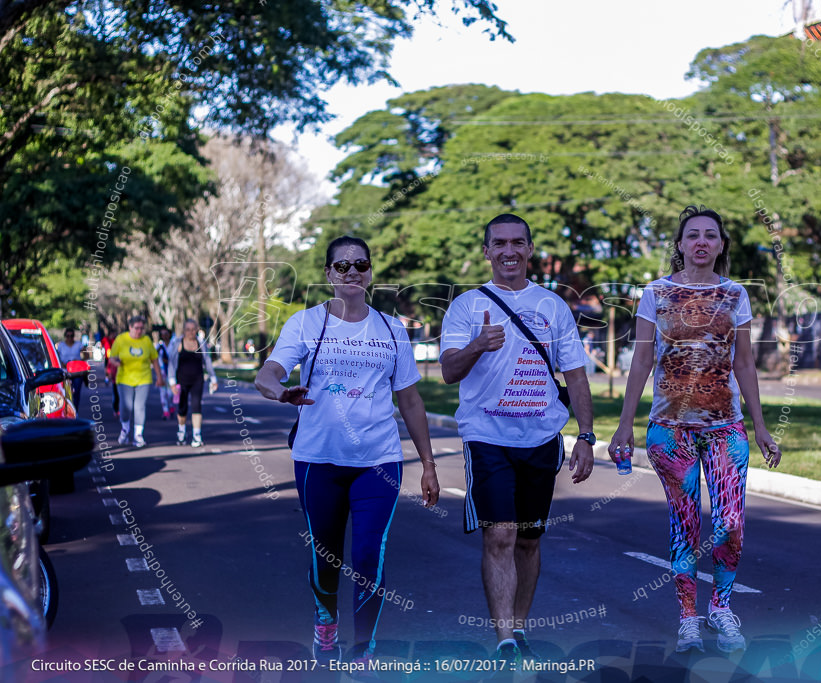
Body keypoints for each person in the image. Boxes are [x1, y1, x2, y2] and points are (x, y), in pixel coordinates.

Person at [254, 236, 439, 668]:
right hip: (318, 459)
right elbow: (267, 373)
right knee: (326, 553)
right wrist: (282, 393)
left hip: (378, 461)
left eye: (360, 264)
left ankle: (362, 653)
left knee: (368, 555)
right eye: (342, 266)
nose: (352, 271)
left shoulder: (392, 329)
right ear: (328, 275)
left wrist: (429, 465)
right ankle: (325, 620)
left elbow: (410, 400)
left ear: (371, 272)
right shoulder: (305, 324)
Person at [609, 205, 781, 655]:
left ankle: (720, 607)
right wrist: (624, 426)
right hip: (670, 430)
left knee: (731, 523)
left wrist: (760, 426)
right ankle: (688, 615)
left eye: (710, 235)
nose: (701, 242)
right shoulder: (656, 293)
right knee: (684, 526)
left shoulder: (736, 294)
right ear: (681, 245)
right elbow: (642, 361)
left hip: (726, 428)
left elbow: (745, 362)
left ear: (721, 245)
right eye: (693, 235)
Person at [439, 214, 595, 666]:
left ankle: (520, 627)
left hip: (543, 435)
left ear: (529, 249)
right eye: (499, 243)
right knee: (501, 535)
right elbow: (448, 371)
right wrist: (476, 346)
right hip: (487, 435)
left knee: (529, 538)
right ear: (486, 251)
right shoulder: (466, 306)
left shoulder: (553, 306)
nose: (508, 251)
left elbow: (576, 374)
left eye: (517, 242)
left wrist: (585, 436)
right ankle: (504, 637)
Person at [109, 316, 165, 447]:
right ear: (130, 327)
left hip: (143, 378)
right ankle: (125, 429)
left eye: (142, 328)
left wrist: (159, 377)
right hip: (124, 379)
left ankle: (138, 435)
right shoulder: (121, 339)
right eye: (136, 328)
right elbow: (112, 357)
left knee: (139, 407)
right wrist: (116, 363)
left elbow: (154, 359)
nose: (139, 331)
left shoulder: (146, 340)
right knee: (125, 406)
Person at [167, 320, 217, 447]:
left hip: (197, 379)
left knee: (196, 406)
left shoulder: (201, 343)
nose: (191, 332)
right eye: (188, 329)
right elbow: (172, 364)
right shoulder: (178, 343)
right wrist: (172, 382)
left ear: (197, 329)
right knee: (182, 408)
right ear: (184, 331)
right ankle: (182, 432)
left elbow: (207, 361)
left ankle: (196, 435)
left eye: (193, 329)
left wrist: (213, 378)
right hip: (181, 380)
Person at [55, 327, 85, 412]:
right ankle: (66, 410)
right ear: (65, 336)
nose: (69, 338)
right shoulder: (61, 345)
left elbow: (86, 355)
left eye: (71, 336)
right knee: (65, 392)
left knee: (77, 392)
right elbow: (57, 357)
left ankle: (75, 410)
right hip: (65, 371)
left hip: (76, 371)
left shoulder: (78, 344)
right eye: (68, 336)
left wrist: (79, 362)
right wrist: (62, 363)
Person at [156, 329, 176, 420]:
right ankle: (165, 411)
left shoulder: (174, 344)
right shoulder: (159, 346)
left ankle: (171, 405)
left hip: (172, 372)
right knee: (163, 392)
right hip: (162, 372)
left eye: (166, 334)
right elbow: (154, 357)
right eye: (162, 334)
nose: (164, 336)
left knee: (170, 393)